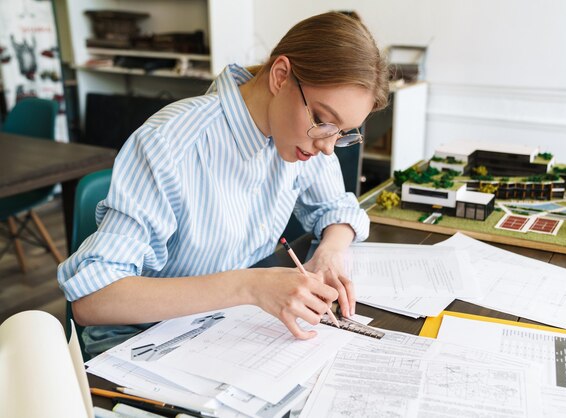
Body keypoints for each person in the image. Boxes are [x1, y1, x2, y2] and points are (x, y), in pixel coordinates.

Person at [58, 11, 389, 356]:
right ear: (280, 76)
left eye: (342, 133)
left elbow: (337, 207)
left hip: (228, 330)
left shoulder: (296, 140)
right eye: (323, 120)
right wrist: (249, 286)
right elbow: (93, 299)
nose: (327, 146)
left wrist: (330, 252)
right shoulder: (171, 142)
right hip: (145, 347)